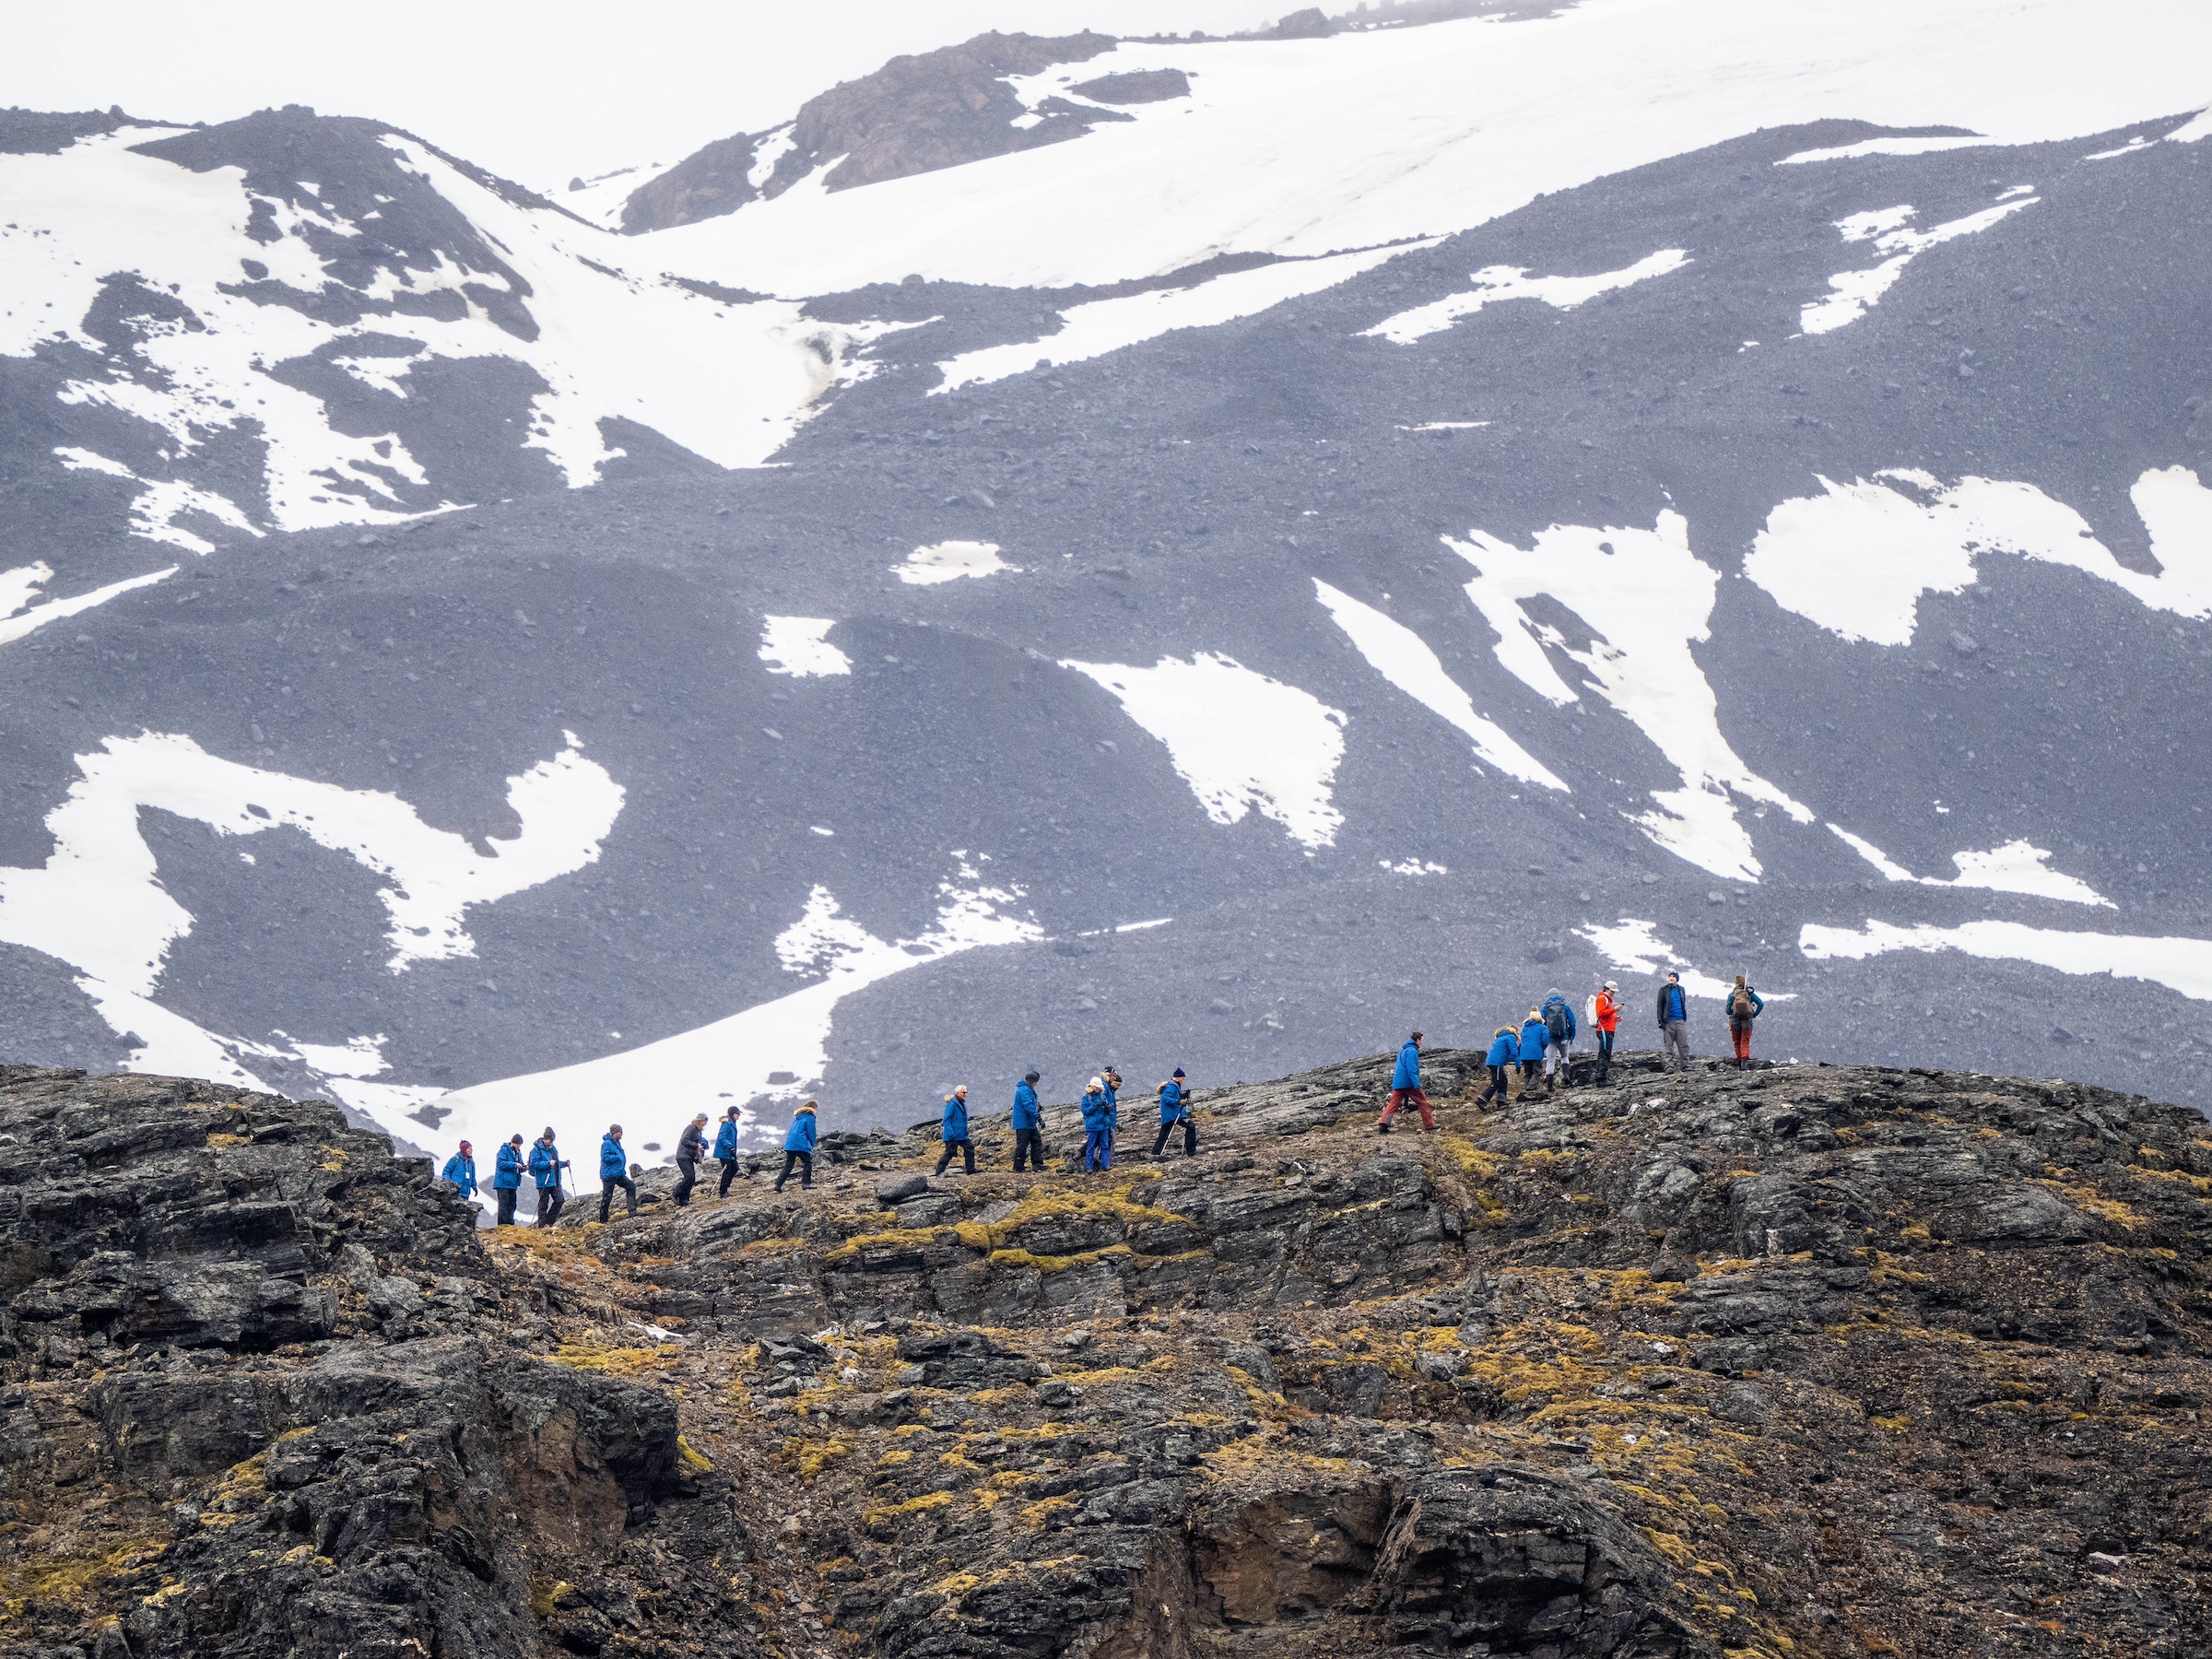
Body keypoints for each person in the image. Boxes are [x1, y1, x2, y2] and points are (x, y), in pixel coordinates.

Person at [1376, 1030, 1431, 1134]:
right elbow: (1412, 1068)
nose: (1422, 1043)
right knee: (1422, 1101)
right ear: (1417, 1040)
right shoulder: (1412, 1051)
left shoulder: (1403, 1050)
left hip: (1398, 1082)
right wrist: (1416, 1084)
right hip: (1408, 1082)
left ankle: (1384, 1124)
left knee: (1393, 1103)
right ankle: (1429, 1125)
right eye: (1421, 1040)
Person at [529, 1127, 570, 1227]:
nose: (551, 1143)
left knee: (560, 1200)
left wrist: (564, 1164)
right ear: (545, 1138)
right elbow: (534, 1164)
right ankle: (542, 1225)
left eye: (552, 1141)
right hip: (543, 1181)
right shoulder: (536, 1150)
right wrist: (548, 1164)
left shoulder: (553, 1149)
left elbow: (555, 1163)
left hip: (555, 1180)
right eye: (550, 1140)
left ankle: (549, 1221)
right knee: (543, 1204)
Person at [1152, 1068, 1196, 1158]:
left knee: (1164, 1134)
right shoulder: (1171, 1086)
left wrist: (1182, 1096)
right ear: (1178, 1078)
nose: (1183, 1080)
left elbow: (1171, 1096)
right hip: (1173, 1115)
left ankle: (1156, 1153)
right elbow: (1165, 1099)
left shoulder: (1173, 1086)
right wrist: (1178, 1102)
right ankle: (1191, 1151)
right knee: (1190, 1126)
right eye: (1183, 1078)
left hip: (1173, 1115)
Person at [1540, 989, 1577, 1094]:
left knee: (1550, 1060)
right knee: (1565, 1057)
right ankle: (1566, 1077)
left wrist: (1545, 1036)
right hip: (1564, 1037)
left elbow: (1541, 1024)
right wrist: (1571, 1035)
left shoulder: (1545, 1008)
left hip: (1551, 1038)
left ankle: (1550, 1086)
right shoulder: (1565, 1007)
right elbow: (1572, 1022)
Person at [598, 1124, 638, 1221]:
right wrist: (617, 1157)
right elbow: (605, 1157)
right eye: (620, 1132)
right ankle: (603, 1220)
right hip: (609, 1175)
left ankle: (633, 1211)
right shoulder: (607, 1143)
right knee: (607, 1196)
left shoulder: (616, 1143)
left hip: (618, 1174)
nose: (622, 1134)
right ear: (615, 1133)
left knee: (631, 1186)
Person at [935, 1085, 977, 1176]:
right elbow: (946, 1119)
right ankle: (939, 1171)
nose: (965, 1094)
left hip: (962, 1134)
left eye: (966, 1092)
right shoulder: (952, 1104)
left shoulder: (961, 1103)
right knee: (950, 1153)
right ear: (958, 1093)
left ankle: (971, 1170)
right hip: (953, 1135)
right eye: (964, 1092)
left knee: (969, 1149)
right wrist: (951, 1133)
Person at [776, 1100, 818, 1191]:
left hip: (790, 1144)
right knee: (808, 1162)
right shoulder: (810, 1117)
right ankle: (806, 1183)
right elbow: (811, 1133)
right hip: (800, 1144)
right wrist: (812, 1144)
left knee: (789, 1164)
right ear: (814, 1108)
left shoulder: (797, 1118)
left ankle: (778, 1185)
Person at [1726, 974, 1765, 1068]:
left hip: (1735, 1021)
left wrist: (1734, 1013)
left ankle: (1739, 1062)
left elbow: (1727, 1010)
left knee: (1737, 1042)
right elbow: (1760, 1003)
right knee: (1745, 1041)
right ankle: (1745, 1061)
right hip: (1747, 1021)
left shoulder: (1732, 995)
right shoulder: (1749, 994)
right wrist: (1754, 1014)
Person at [1656, 971, 1691, 1071]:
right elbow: (1659, 1006)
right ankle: (1669, 1066)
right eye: (1670, 976)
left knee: (1683, 1044)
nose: (1671, 978)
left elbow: (1682, 1003)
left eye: (1673, 977)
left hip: (1680, 1020)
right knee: (1668, 1045)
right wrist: (1660, 1020)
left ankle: (1685, 1065)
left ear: (1677, 979)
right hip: (1668, 1021)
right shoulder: (1663, 990)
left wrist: (1684, 1018)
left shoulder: (1681, 990)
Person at [1011, 1072, 1046, 1172]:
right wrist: (1038, 1118)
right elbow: (1028, 1106)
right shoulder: (1024, 1090)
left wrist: (1037, 1108)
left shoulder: (1026, 1089)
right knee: (1022, 1145)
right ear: (1031, 1081)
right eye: (1035, 1082)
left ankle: (1037, 1164)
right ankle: (1018, 1167)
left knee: (1036, 1141)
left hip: (1029, 1123)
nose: (1036, 1084)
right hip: (1023, 1123)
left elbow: (1030, 1104)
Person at [674, 1112, 709, 1206]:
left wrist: (703, 1145)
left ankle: (684, 1199)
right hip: (683, 1156)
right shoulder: (691, 1128)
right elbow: (684, 1140)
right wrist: (696, 1145)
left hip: (688, 1157)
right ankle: (676, 1193)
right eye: (705, 1121)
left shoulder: (697, 1130)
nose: (705, 1124)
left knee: (692, 1178)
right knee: (689, 1177)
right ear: (701, 1121)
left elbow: (698, 1140)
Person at [1079, 1077, 1113, 1171]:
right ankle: (1089, 1167)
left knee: (1105, 1146)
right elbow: (1085, 1111)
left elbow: (1107, 1113)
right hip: (1092, 1127)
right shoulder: (1086, 1098)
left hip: (1103, 1126)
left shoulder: (1103, 1097)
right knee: (1091, 1147)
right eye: (1096, 1087)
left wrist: (1107, 1108)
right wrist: (1095, 1106)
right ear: (1092, 1086)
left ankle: (1105, 1165)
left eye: (1099, 1087)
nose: (1098, 1089)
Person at [1517, 1007, 1551, 1099]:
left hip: (1524, 1054)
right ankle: (1531, 1088)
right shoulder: (1542, 1028)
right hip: (1536, 1053)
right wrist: (1541, 1049)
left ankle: (1527, 1092)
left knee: (1528, 1072)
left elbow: (1522, 1040)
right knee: (1537, 1072)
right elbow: (1545, 1041)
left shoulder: (1525, 1028)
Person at [1478, 1026, 1517, 1106]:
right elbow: (1513, 1052)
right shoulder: (1510, 1037)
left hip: (1493, 1062)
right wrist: (1518, 1064)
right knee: (1496, 1082)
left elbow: (1502, 1053)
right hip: (1496, 1063)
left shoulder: (1500, 1038)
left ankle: (1501, 1101)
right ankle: (1482, 1099)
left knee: (1503, 1080)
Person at [491, 1134, 525, 1226]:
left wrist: (524, 1168)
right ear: (514, 1143)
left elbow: (520, 1164)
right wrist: (514, 1165)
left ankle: (510, 1224)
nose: (519, 1147)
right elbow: (500, 1163)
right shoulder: (504, 1150)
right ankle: (502, 1225)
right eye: (518, 1145)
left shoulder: (518, 1153)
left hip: (512, 1183)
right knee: (504, 1204)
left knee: (512, 1204)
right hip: (503, 1182)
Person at [1593, 981, 1621, 1084]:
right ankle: (1601, 1078)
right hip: (1605, 1030)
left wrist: (1615, 1018)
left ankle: (1602, 1076)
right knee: (1604, 1053)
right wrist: (1614, 1010)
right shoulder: (1603, 999)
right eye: (1611, 991)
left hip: (1608, 1029)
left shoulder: (1607, 1000)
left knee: (1606, 1052)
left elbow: (1605, 1015)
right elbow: (1600, 1013)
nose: (1613, 993)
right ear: (1606, 989)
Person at [712, 1105, 742, 1195]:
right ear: (732, 1114)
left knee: (735, 1168)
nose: (738, 1116)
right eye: (737, 1114)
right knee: (727, 1170)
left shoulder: (731, 1122)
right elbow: (722, 1137)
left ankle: (725, 1188)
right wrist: (730, 1146)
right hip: (724, 1152)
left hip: (729, 1152)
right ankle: (723, 1191)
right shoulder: (727, 1123)